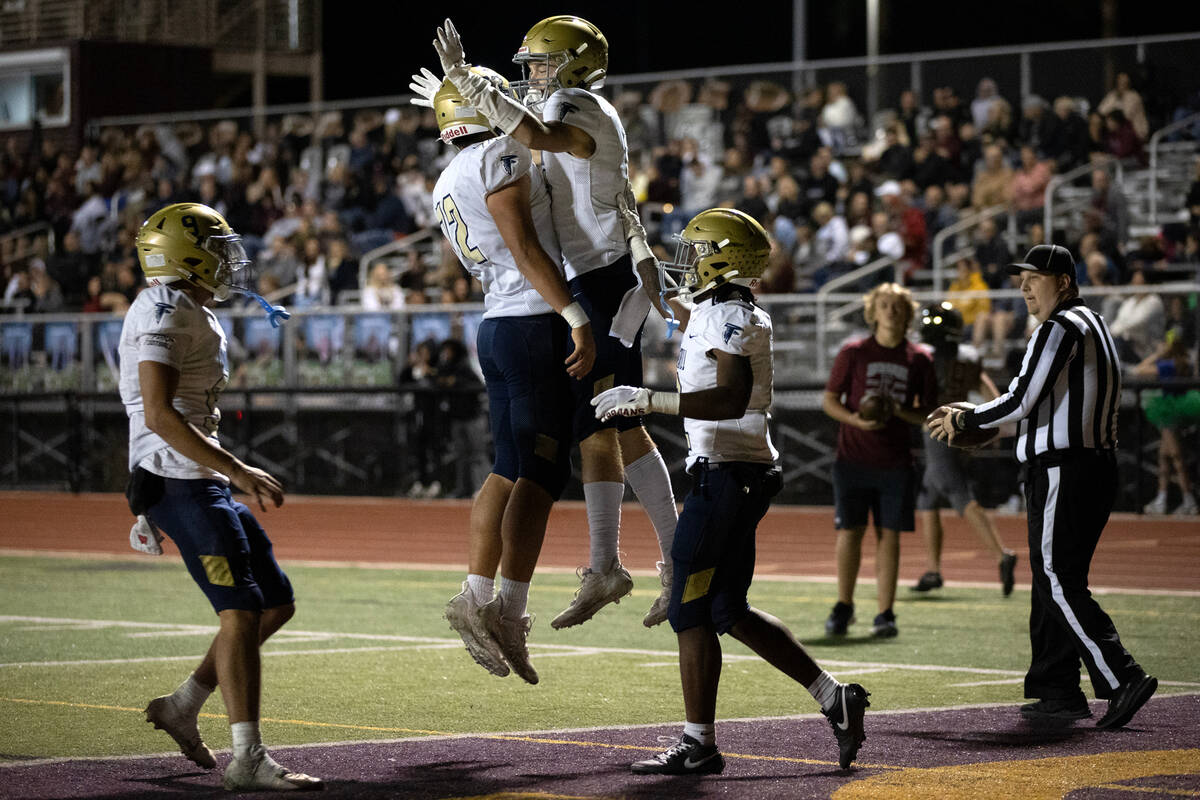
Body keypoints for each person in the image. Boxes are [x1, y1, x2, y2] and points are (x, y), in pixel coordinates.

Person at [591, 208, 870, 775]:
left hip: (728, 474)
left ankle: (699, 744)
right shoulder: (715, 310)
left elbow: (732, 398)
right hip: (738, 473)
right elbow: (665, 295)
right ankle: (834, 698)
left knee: (688, 609)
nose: (686, 262)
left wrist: (649, 400)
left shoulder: (731, 316)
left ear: (722, 258)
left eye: (696, 251)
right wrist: (636, 238)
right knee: (727, 609)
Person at [424, 16, 680, 629]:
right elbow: (610, 193)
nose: (532, 74)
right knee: (604, 425)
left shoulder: (582, 108)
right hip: (593, 275)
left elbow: (538, 134)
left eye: (542, 63)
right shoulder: (555, 112)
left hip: (601, 279)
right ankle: (612, 564)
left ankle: (666, 561)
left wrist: (467, 84)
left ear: (576, 63)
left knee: (619, 419)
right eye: (529, 65)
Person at [119, 202, 320, 791]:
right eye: (217, 249)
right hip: (179, 479)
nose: (229, 262)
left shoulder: (185, 308)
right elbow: (156, 413)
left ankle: (183, 703)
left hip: (193, 476)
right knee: (238, 613)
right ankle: (248, 756)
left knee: (274, 605)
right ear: (184, 256)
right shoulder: (163, 309)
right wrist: (236, 469)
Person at [929, 244, 1158, 730]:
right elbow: (1042, 407)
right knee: (1051, 580)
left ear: (1064, 282)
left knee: (1056, 578)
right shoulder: (1094, 324)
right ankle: (1056, 688)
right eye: (1022, 278)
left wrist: (965, 416)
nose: (1024, 286)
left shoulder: (1058, 327)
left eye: (1035, 277)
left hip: (1063, 469)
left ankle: (1122, 676)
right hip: (1089, 465)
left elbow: (1021, 398)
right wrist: (989, 429)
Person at [429, 72, 595, 685]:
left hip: (497, 324)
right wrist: (574, 315)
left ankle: (476, 596)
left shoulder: (447, 176)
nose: (515, 104)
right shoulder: (498, 154)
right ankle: (505, 609)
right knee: (543, 471)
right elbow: (525, 249)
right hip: (530, 322)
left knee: (507, 466)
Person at [823, 282, 937, 638]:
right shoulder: (854, 352)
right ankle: (844, 605)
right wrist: (857, 419)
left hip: (895, 462)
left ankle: (885, 612)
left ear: (907, 313)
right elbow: (830, 400)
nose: (890, 310)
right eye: (884, 304)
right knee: (850, 532)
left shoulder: (919, 358)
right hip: (853, 458)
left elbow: (929, 412)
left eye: (897, 305)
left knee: (890, 536)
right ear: (872, 312)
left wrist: (898, 411)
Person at [912, 302, 1018, 595]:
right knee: (927, 500)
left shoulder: (923, 357)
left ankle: (1002, 554)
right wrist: (984, 428)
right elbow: (991, 394)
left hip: (936, 431)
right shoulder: (968, 357)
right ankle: (933, 570)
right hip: (960, 430)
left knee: (959, 494)